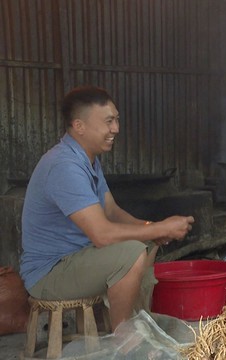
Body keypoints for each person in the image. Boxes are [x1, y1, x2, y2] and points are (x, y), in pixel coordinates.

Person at [19, 86, 195, 330]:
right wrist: (158, 228)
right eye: (108, 121)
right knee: (131, 252)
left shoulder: (87, 159)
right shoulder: (64, 165)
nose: (116, 129)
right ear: (79, 126)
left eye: (117, 120)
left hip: (76, 258)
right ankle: (123, 340)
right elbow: (101, 234)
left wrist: (153, 229)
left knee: (146, 244)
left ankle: (139, 323)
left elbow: (112, 211)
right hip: (50, 274)